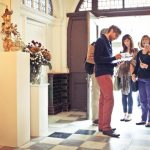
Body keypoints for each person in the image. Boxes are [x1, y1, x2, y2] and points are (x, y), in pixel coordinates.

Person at [94, 25, 122, 137]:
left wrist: (116, 62)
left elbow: (106, 60)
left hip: (105, 72)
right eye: (116, 35)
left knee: (103, 100)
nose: (116, 38)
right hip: (103, 74)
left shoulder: (108, 42)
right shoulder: (101, 41)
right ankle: (106, 127)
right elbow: (97, 59)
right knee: (109, 100)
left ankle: (102, 125)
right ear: (111, 31)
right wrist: (114, 58)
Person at [132, 35, 150, 127]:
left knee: (149, 100)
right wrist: (134, 74)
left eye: (147, 40)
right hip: (141, 79)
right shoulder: (139, 53)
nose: (145, 41)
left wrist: (147, 66)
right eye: (143, 40)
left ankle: (149, 120)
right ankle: (143, 119)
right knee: (142, 100)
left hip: (149, 79)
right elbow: (137, 65)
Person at [118, 34, 137, 122]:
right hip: (123, 75)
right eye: (124, 41)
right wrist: (120, 63)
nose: (126, 42)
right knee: (123, 95)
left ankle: (130, 114)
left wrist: (133, 73)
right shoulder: (122, 52)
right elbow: (120, 64)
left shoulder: (135, 51)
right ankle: (124, 114)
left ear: (130, 41)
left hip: (130, 74)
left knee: (129, 95)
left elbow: (136, 63)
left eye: (128, 40)